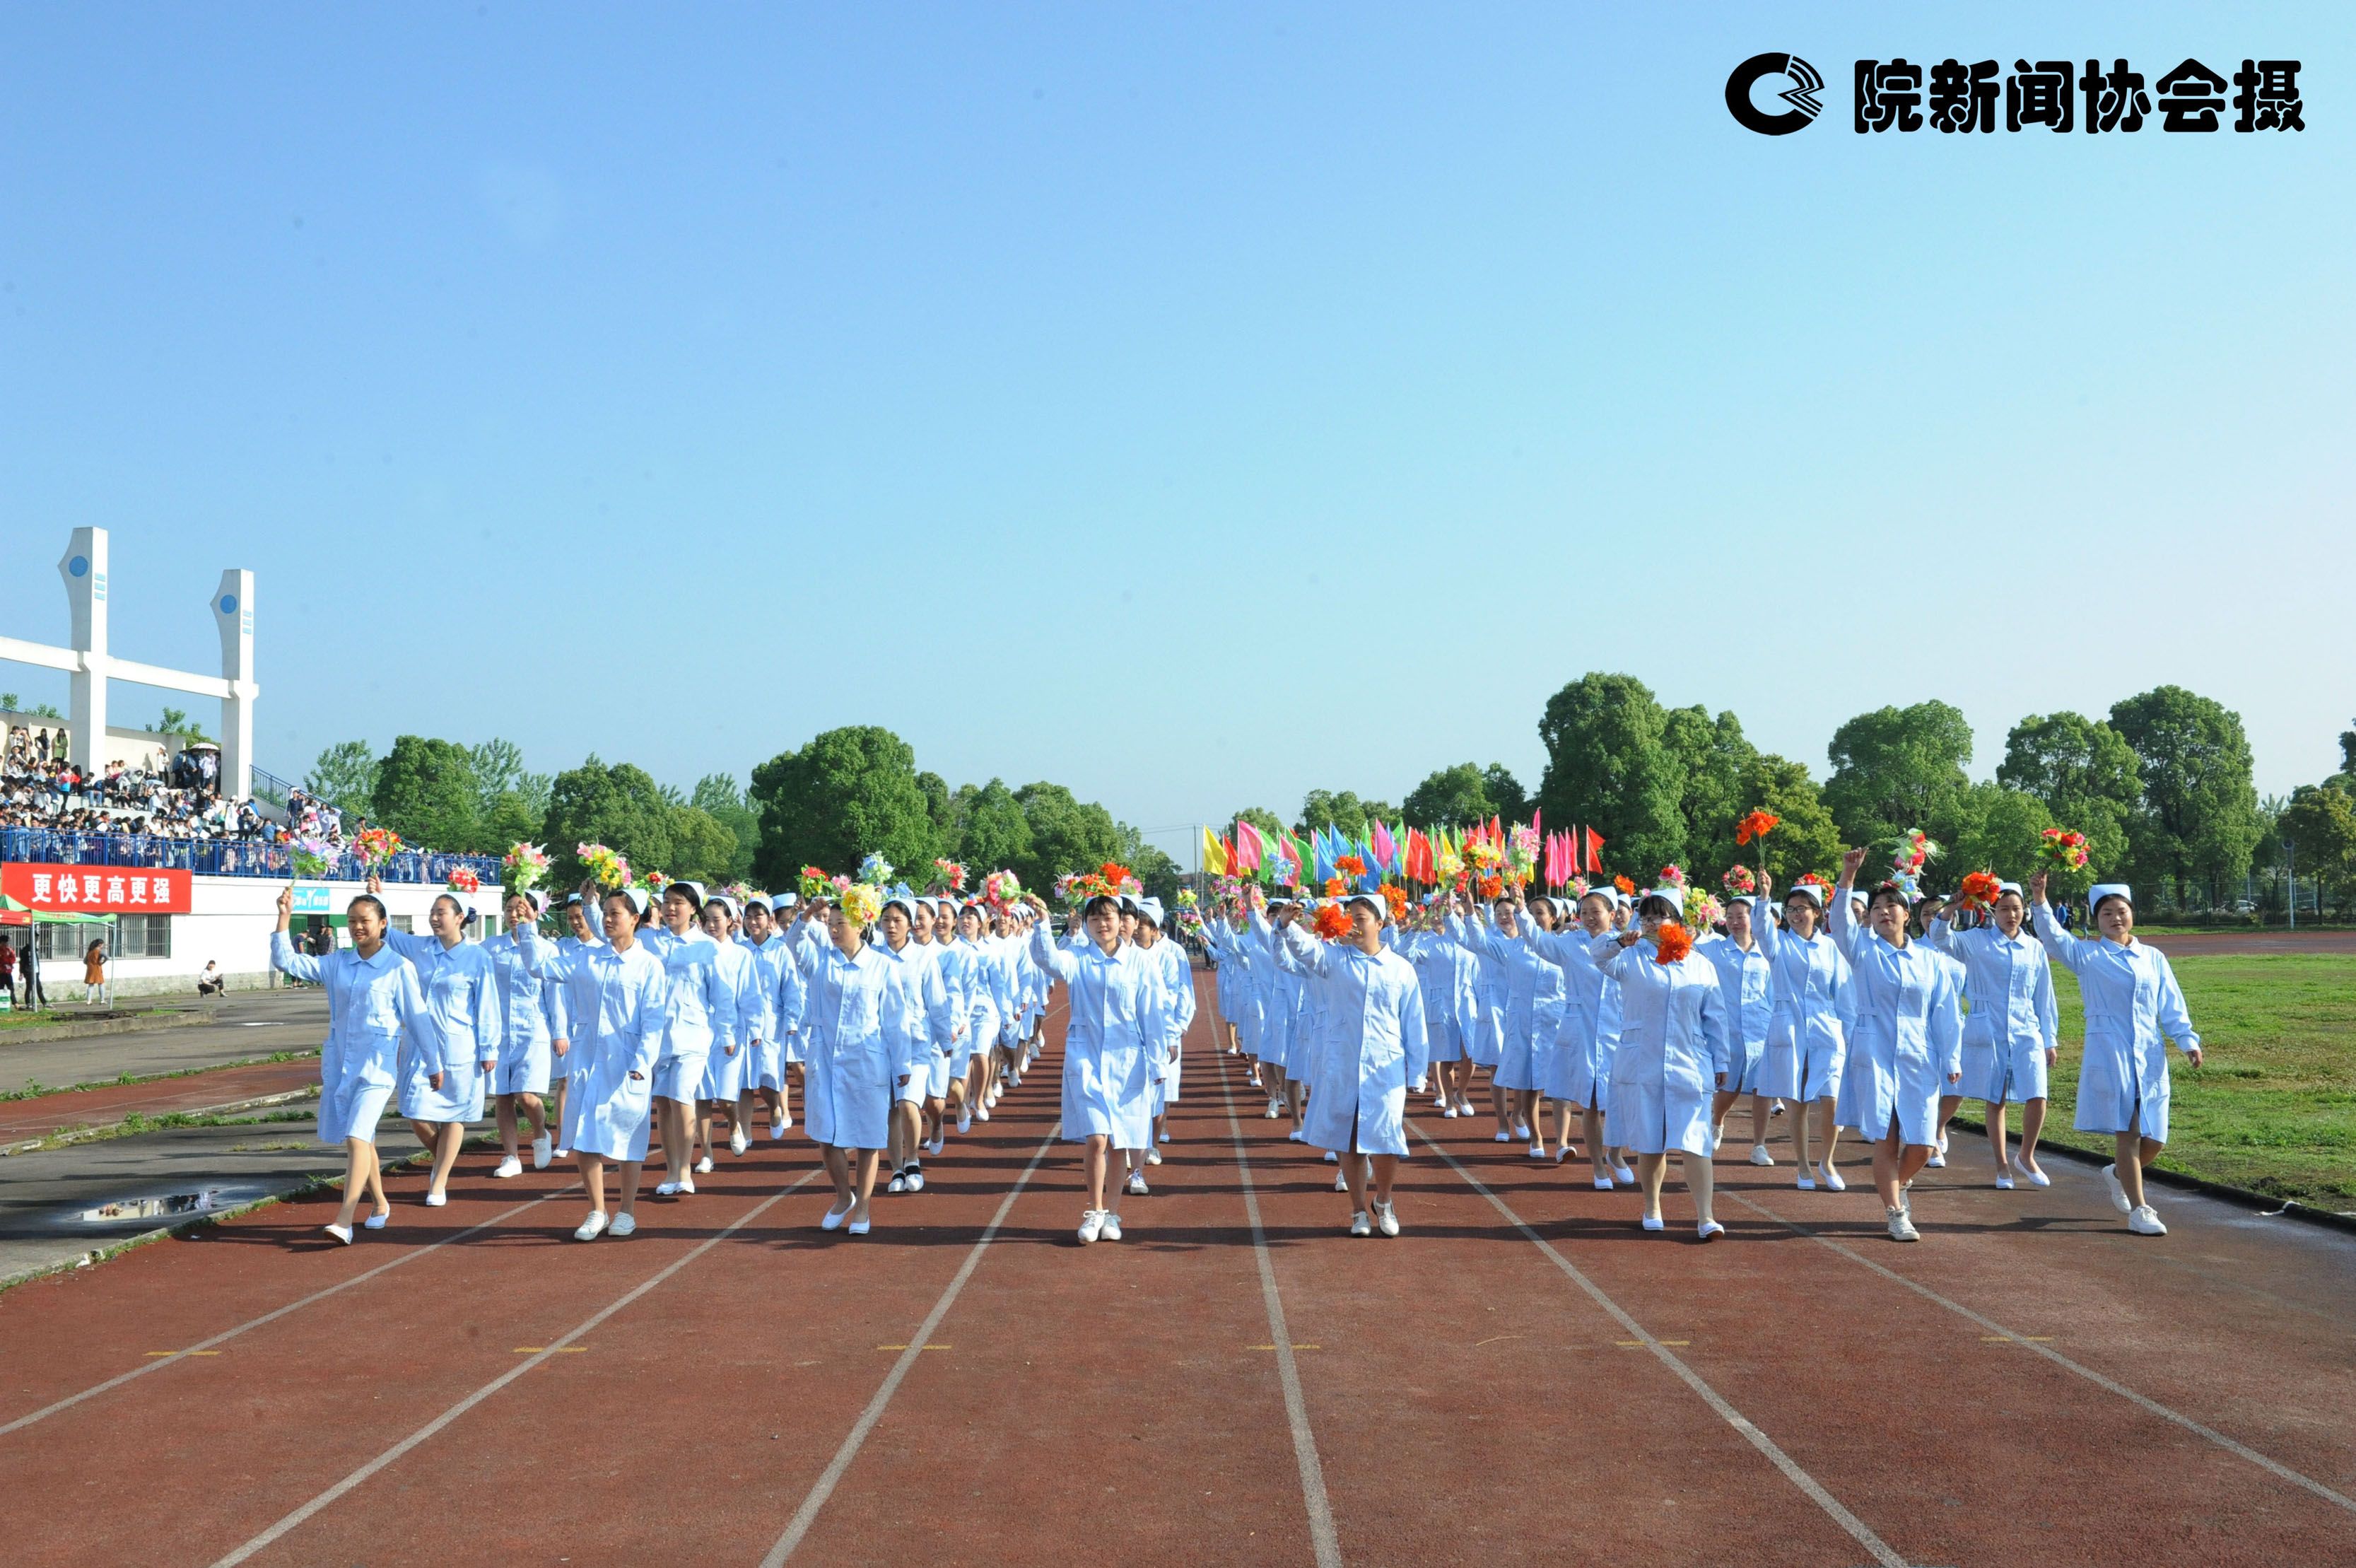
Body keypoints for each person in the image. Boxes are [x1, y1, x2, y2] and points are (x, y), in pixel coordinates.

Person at [2029, 874, 2202, 1236]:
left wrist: (2187, 1040)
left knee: (2155, 1137)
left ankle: (2117, 1173)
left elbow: (2171, 1003)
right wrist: (2041, 899)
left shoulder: (2152, 957)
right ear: (2097, 920)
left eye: (2121, 912)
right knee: (2129, 1130)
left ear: (2132, 915)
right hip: (2111, 1050)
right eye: (2107, 913)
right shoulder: (2088, 955)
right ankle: (2140, 1209)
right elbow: (2053, 937)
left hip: (2149, 1051)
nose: (2116, 918)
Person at [1267, 886, 1429, 1237]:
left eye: (1361, 919)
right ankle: (1359, 1211)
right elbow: (1304, 950)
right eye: (1349, 919)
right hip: (1341, 1061)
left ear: (1381, 923)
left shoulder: (1400, 969)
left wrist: (1417, 1071)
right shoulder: (1335, 959)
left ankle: (1383, 1200)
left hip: (1385, 1068)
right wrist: (1287, 924)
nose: (1353, 926)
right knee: (1349, 1137)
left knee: (1387, 1139)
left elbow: (1414, 1023)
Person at [269, 884, 426, 1244]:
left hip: (379, 1067)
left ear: (383, 924)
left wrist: (434, 1064)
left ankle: (344, 1219)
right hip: (342, 1065)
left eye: (365, 920)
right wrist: (284, 917)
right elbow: (288, 962)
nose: (358, 926)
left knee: (356, 1136)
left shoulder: (399, 967)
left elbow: (418, 1019)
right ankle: (381, 1203)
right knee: (363, 1139)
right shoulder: (338, 962)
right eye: (352, 920)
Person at [1829, 849, 1964, 1243]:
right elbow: (1839, 923)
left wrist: (1951, 1056)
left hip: (1919, 1056)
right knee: (1887, 1137)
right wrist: (1848, 877)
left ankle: (1897, 1186)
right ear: (1869, 918)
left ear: (1908, 913)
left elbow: (1946, 1011)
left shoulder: (1930, 960)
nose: (1884, 913)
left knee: (1922, 1144)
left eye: (1892, 907)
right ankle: (1895, 1212)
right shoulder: (1863, 952)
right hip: (1874, 1052)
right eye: (1876, 909)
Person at [516, 888, 667, 1240]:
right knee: (585, 1134)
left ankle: (626, 1210)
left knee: (628, 1135)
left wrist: (643, 1062)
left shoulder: (649, 965)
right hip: (587, 1057)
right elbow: (539, 966)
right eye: (607, 912)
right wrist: (527, 928)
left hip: (627, 1061)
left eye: (617, 913)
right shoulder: (588, 958)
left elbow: (654, 1020)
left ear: (636, 919)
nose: (609, 919)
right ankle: (597, 1210)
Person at [1024, 891, 1159, 1244]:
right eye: (1095, 918)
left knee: (1118, 1141)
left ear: (1121, 921)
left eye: (1109, 917)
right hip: (1085, 1055)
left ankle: (1113, 1213)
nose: (1102, 923)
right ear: (1086, 924)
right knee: (1097, 1136)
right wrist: (1041, 923)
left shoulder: (1140, 963)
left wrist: (1159, 1058)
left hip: (1128, 1058)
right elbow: (1047, 960)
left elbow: (1151, 1013)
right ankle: (1095, 1209)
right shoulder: (1078, 958)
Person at [1600, 886, 1733, 1239]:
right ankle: (1652, 1206)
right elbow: (1596, 956)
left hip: (1690, 1061)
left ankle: (1706, 1217)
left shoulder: (1701, 964)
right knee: (1651, 1139)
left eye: (1659, 915)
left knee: (1695, 1140)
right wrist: (1620, 940)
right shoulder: (1630, 957)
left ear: (1676, 920)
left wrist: (1722, 1059)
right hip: (1642, 1060)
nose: (1652, 922)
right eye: (1646, 916)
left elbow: (1715, 1016)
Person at [369, 876, 503, 1207]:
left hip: (460, 1046)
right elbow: (387, 932)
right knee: (415, 1111)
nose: (433, 918)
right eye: (432, 912)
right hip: (420, 1046)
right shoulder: (421, 948)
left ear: (460, 917)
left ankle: (439, 1180)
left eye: (441, 912)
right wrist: (377, 898)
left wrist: (489, 1048)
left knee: (453, 1115)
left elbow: (487, 1006)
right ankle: (444, 1158)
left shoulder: (477, 958)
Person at [1925, 882, 2059, 1189]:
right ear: (1992, 912)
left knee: (2038, 1095)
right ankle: (2001, 1167)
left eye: (2016, 908)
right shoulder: (1976, 941)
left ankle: (2026, 1156)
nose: (2011, 915)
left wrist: (2050, 1038)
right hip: (1988, 1027)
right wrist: (1951, 908)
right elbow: (1940, 938)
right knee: (1995, 1097)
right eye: (2004, 909)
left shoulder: (2033, 948)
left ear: (2025, 911)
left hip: (2026, 1029)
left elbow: (2044, 996)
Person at [793, 883, 898, 1235]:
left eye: (842, 923)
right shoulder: (820, 962)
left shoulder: (881, 966)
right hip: (824, 1055)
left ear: (862, 925)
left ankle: (864, 1207)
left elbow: (895, 1021)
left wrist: (904, 1066)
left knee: (869, 1136)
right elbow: (793, 944)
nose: (835, 929)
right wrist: (807, 916)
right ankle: (844, 1196)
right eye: (831, 923)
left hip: (867, 1058)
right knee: (827, 1134)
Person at [1752, 874, 1853, 1190]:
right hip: (1790, 1026)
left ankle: (1828, 1160)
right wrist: (1764, 896)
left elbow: (1845, 996)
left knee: (1833, 1098)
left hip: (1826, 1027)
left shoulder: (1831, 948)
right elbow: (1761, 930)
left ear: (1818, 913)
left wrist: (1851, 1035)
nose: (1796, 914)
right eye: (1791, 909)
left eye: (1803, 909)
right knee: (1797, 1100)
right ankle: (1804, 1166)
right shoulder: (1779, 944)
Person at [483, 891, 558, 1176]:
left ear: (536, 914)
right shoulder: (491, 947)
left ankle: (541, 1132)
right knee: (502, 1094)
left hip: (533, 1028)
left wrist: (559, 1032)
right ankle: (511, 1156)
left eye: (522, 909)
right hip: (498, 1030)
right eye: (510, 909)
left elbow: (555, 995)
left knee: (526, 1095)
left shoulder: (547, 949)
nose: (514, 914)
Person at [1699, 895, 1775, 1165]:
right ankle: (1717, 1121)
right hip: (1728, 1031)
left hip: (1761, 1030)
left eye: (1740, 916)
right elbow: (1688, 949)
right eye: (1729, 916)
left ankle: (1759, 1146)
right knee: (1728, 1088)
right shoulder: (1715, 950)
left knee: (1763, 1089)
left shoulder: (1767, 952)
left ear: (1753, 918)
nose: (1734, 922)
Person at [83, 937, 106, 1004]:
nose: (103, 946)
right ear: (100, 945)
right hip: (97, 968)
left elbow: (84, 961)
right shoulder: (98, 951)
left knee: (91, 985)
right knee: (101, 984)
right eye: (103, 945)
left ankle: (89, 1001)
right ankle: (102, 1000)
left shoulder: (90, 952)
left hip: (90, 969)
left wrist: (90, 964)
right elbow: (106, 957)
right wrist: (102, 962)